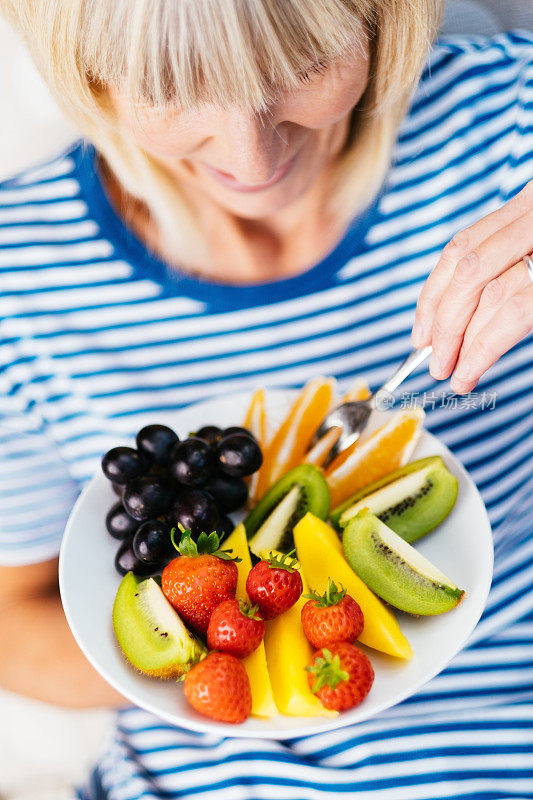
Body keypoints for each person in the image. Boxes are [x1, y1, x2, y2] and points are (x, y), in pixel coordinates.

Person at [0, 0, 532, 798]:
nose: (252, 161)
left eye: (303, 65)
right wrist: (232, 641)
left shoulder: (510, 124)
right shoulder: (21, 281)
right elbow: (13, 620)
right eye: (170, 86)